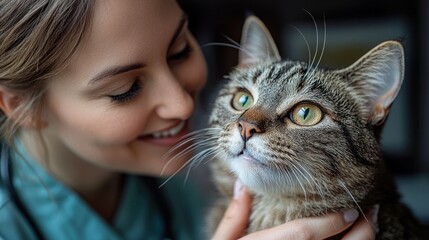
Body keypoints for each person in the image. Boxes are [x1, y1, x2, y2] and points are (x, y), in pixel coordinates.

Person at [0, 0, 377, 239]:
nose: (183, 106)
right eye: (126, 88)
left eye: (180, 50)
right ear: (21, 107)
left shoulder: (185, 187)